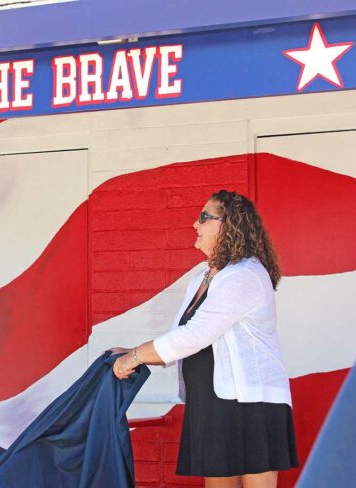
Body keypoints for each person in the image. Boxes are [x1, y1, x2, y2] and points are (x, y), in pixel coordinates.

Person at [112, 190, 298, 488]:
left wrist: (136, 355)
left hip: (251, 401)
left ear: (228, 225)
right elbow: (182, 337)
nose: (194, 225)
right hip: (213, 401)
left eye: (203, 217)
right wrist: (134, 352)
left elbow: (197, 335)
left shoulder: (244, 274)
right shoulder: (204, 276)